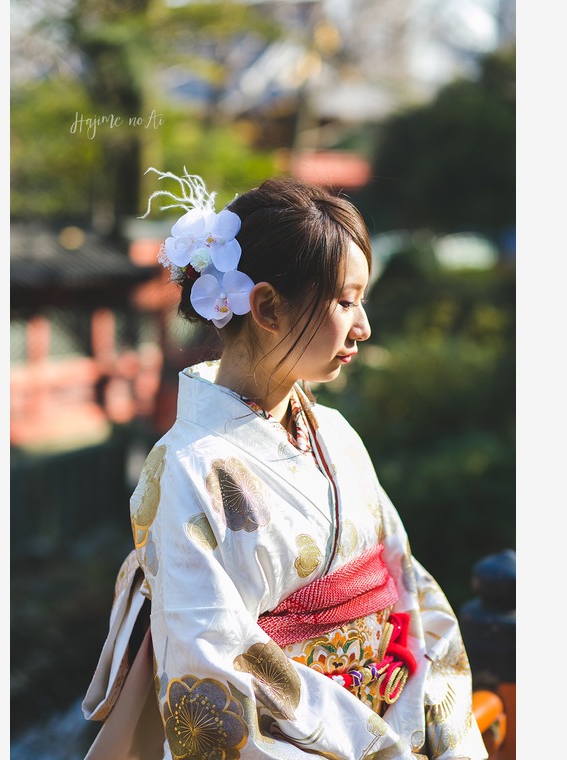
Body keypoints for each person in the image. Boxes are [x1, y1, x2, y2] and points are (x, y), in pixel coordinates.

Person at [83, 169, 489, 760]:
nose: (364, 326)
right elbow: (212, 663)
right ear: (268, 306)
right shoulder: (189, 467)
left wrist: (435, 721)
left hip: (396, 719)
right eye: (345, 301)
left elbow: (405, 584)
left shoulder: (338, 435)